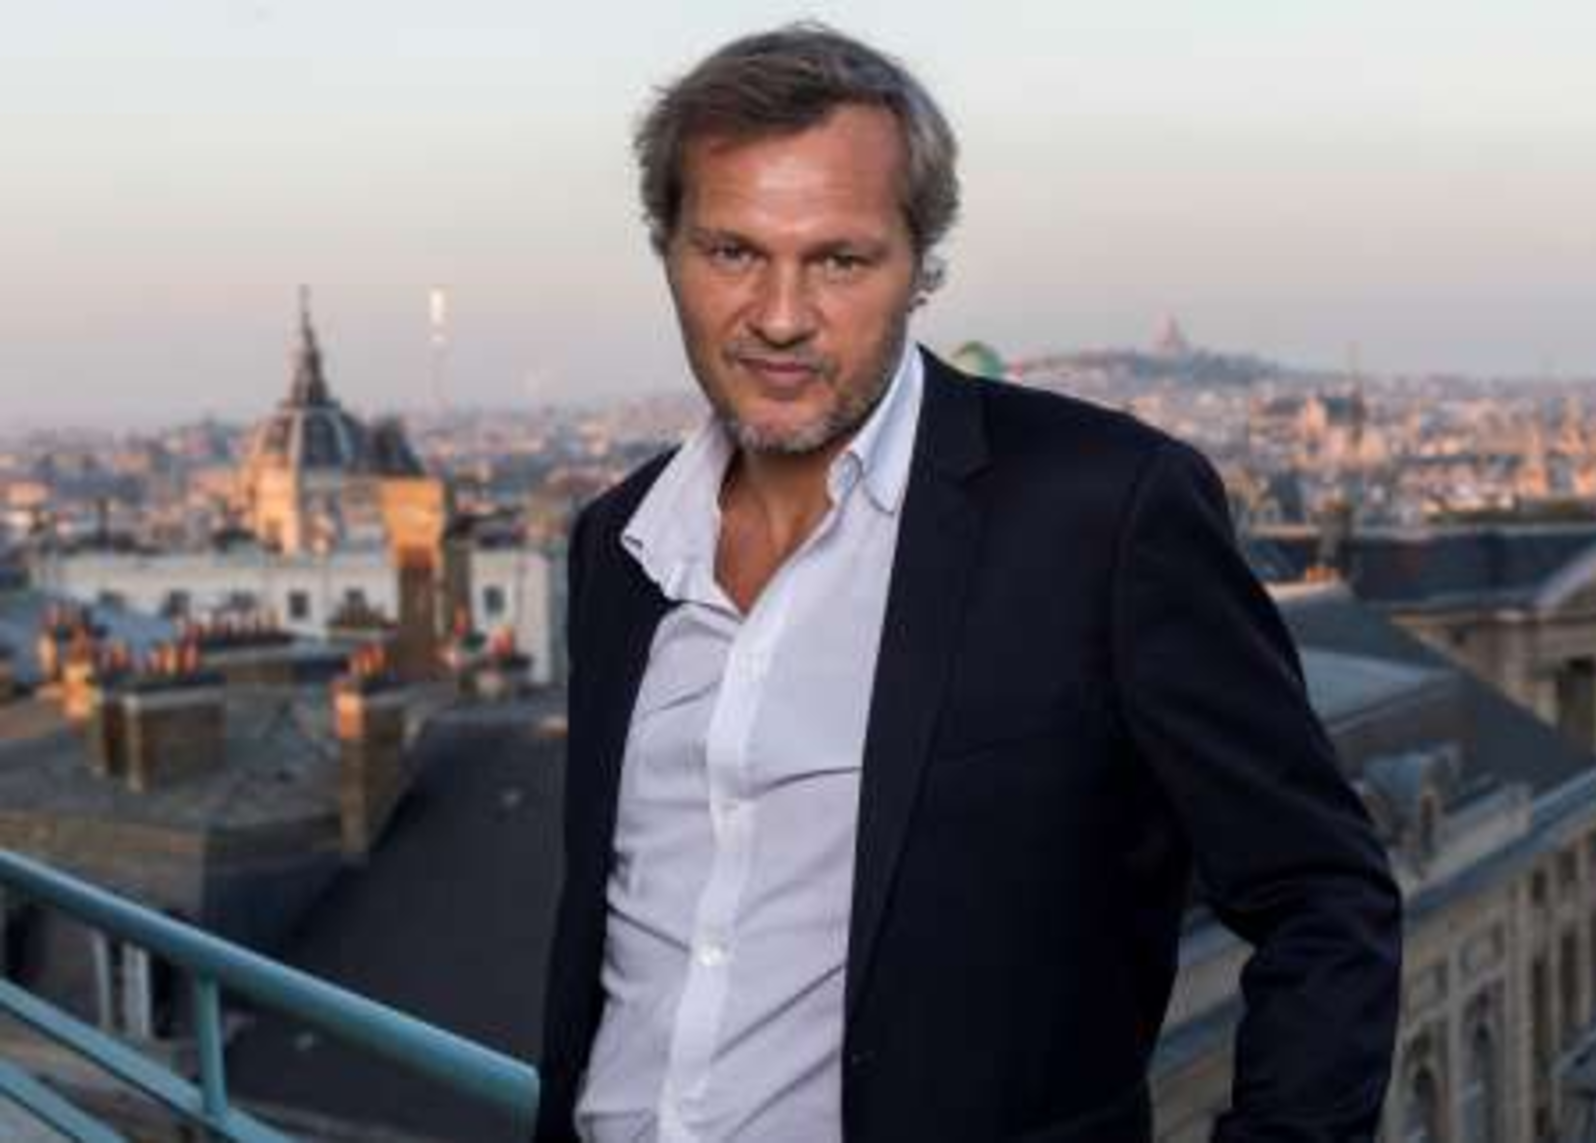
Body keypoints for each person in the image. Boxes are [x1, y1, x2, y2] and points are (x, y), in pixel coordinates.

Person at [537, 24, 1401, 1143]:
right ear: (668, 249)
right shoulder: (620, 544)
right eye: (733, 252)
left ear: (921, 267)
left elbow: (1323, 898)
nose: (782, 315)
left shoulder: (1101, 513)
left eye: (840, 261)